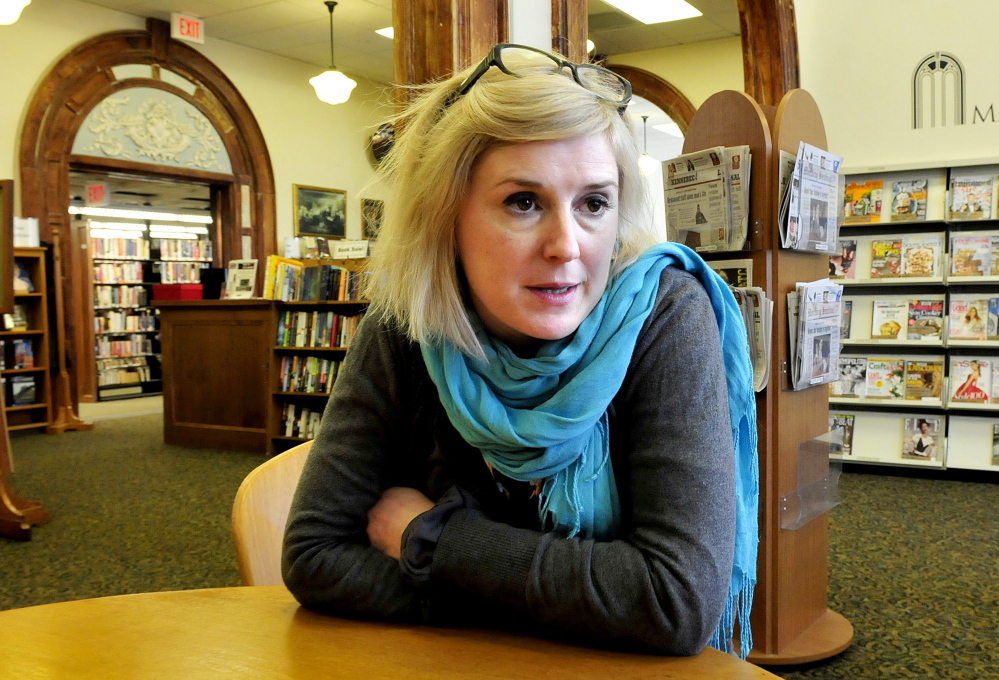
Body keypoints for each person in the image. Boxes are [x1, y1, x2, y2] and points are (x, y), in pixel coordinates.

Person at [281, 43, 758, 658]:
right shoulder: (406, 323)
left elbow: (674, 601)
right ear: (445, 216)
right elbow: (315, 556)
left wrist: (431, 541)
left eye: (593, 203)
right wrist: (580, 599)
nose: (567, 245)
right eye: (523, 202)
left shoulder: (663, 314)